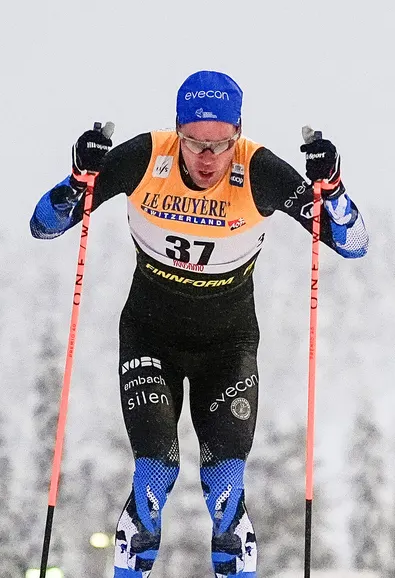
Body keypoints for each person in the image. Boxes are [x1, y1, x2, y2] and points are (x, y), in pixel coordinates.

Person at [29, 70, 369, 578]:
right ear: (177, 133)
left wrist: (333, 186)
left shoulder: (259, 171)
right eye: (194, 144)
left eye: (221, 144)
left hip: (227, 347)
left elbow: (352, 242)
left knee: (226, 487)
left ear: (238, 134)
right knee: (154, 474)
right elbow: (45, 225)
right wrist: (79, 177)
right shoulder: (144, 158)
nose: (208, 158)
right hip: (150, 337)